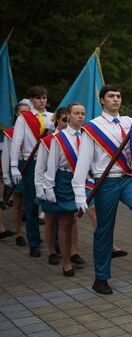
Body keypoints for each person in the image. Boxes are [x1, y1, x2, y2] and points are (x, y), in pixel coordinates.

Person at [72, 85, 132, 295]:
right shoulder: (92, 128)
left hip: (128, 179)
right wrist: (79, 194)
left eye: (118, 96)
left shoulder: (130, 122)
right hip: (105, 182)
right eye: (110, 96)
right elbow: (82, 162)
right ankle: (101, 278)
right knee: (104, 230)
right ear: (102, 100)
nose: (115, 99)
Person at [43, 103, 88, 276]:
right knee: (64, 223)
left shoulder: (86, 135)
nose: (80, 116)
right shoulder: (58, 138)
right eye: (76, 113)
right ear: (68, 115)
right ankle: (66, 262)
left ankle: (73, 253)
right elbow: (52, 164)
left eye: (83, 113)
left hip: (81, 180)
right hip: (63, 180)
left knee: (73, 220)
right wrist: (49, 188)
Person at [10, 86, 54, 257]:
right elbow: (16, 141)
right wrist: (14, 166)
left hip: (50, 164)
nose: (41, 101)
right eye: (37, 98)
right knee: (32, 204)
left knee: (52, 203)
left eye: (44, 98)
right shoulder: (24, 118)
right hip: (32, 163)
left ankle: (55, 242)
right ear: (31, 100)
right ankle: (34, 242)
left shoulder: (53, 117)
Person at [36, 107, 69, 265]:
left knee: (70, 220)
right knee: (50, 219)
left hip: (67, 182)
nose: (67, 123)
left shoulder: (76, 137)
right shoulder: (48, 140)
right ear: (57, 121)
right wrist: (40, 188)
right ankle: (51, 251)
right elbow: (40, 168)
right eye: (64, 120)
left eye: (69, 120)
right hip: (50, 182)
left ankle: (70, 252)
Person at [1, 102, 31, 245]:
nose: (25, 115)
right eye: (22, 112)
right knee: (18, 202)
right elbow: (6, 154)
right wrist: (6, 174)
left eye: (27, 112)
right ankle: (19, 233)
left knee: (32, 203)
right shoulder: (10, 132)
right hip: (18, 165)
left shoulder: (35, 130)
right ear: (17, 114)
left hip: (31, 165)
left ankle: (33, 232)